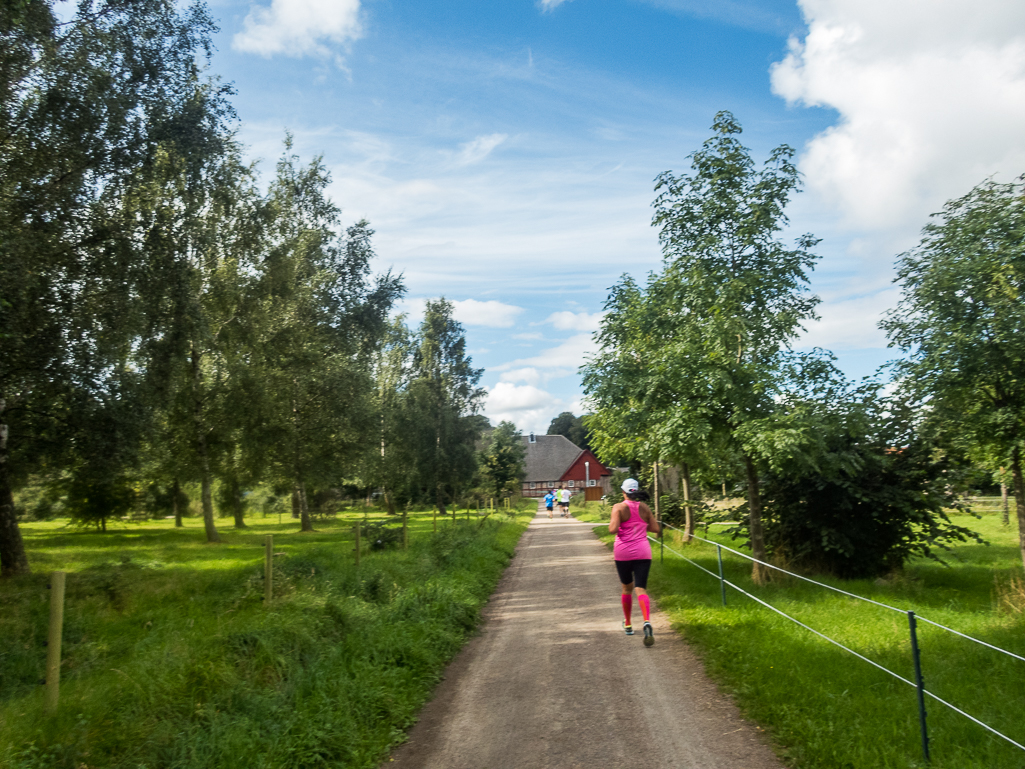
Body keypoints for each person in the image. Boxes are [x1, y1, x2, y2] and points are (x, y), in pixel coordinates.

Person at [609, 478, 660, 646]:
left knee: (626, 588)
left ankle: (629, 624)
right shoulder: (644, 508)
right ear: (636, 491)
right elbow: (655, 529)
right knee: (641, 588)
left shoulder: (619, 507)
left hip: (623, 552)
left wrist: (618, 521)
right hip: (643, 552)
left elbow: (612, 530)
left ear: (623, 492)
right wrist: (641, 524)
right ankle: (646, 621)